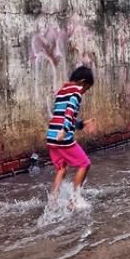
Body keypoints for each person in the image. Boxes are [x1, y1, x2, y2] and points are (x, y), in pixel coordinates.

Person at [46, 66, 98, 205]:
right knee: (85, 163)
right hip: (62, 137)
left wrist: (81, 124)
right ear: (82, 82)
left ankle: (53, 201)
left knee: (62, 169)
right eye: (86, 88)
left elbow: (60, 114)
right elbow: (69, 111)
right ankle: (74, 200)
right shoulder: (76, 92)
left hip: (51, 137)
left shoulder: (62, 91)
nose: (84, 92)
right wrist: (64, 130)